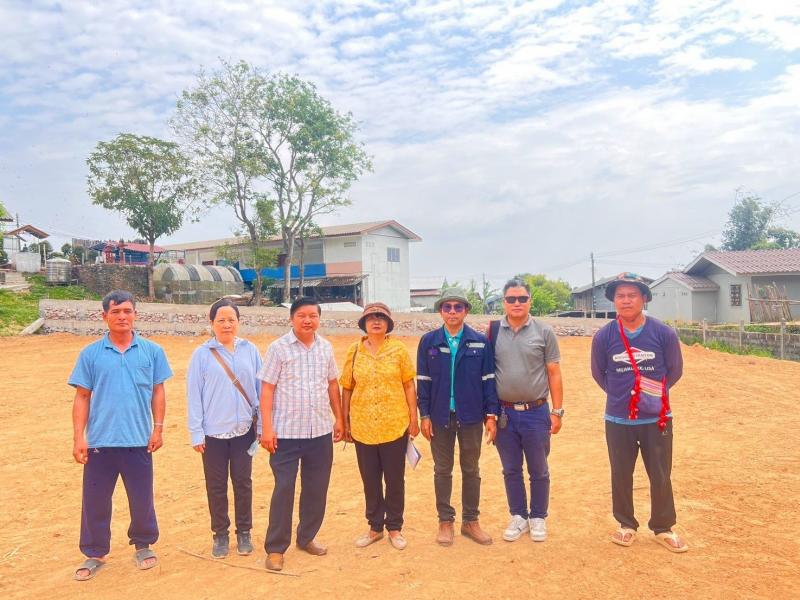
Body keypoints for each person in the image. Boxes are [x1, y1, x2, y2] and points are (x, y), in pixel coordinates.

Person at [69, 290, 173, 581]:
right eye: (115, 312)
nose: (122, 316)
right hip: (99, 441)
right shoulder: (90, 354)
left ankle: (143, 544)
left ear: (135, 314)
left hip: (138, 440)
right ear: (104, 316)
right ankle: (95, 552)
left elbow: (158, 391)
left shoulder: (152, 351)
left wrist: (158, 428)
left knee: (141, 498)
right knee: (95, 500)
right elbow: (82, 396)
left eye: (127, 311)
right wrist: (78, 437)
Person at [590, 272, 688, 553]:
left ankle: (663, 527)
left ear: (644, 298)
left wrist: (652, 396)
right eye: (620, 296)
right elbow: (598, 373)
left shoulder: (663, 333)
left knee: (660, 474)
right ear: (614, 301)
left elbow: (674, 371)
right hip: (617, 418)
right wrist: (620, 395)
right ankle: (626, 524)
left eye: (632, 295)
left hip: (656, 418)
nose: (626, 300)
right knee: (621, 473)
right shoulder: (603, 336)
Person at [258, 297, 345, 571]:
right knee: (284, 488)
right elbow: (267, 389)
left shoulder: (325, 348)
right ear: (291, 319)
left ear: (319, 319)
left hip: (319, 431)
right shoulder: (278, 348)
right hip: (285, 433)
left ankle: (307, 537)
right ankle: (275, 548)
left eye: (313, 316)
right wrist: (266, 428)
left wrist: (339, 418)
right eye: (302, 316)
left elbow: (332, 385)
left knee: (316, 488)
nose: (308, 320)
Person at [417, 287, 499, 546]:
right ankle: (445, 521)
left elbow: (489, 380)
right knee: (442, 469)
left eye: (458, 307)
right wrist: (424, 415)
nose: (452, 312)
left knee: (471, 468)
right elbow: (423, 381)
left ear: (466, 311)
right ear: (440, 311)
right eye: (447, 307)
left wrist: (491, 415)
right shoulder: (429, 341)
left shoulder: (480, 342)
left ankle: (470, 521)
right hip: (439, 416)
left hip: (471, 416)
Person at [489, 278, 564, 543]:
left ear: (530, 301)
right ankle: (519, 516)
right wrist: (490, 414)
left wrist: (558, 411)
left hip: (536, 412)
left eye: (522, 298)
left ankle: (538, 517)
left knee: (539, 469)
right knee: (511, 469)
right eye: (511, 299)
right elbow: (488, 374)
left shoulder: (544, 332)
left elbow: (554, 372)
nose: (517, 303)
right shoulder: (493, 332)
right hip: (505, 414)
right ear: (504, 302)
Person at [187, 299, 262, 559]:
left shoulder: (250, 350)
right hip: (213, 434)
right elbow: (194, 395)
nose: (227, 324)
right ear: (212, 323)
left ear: (239, 322)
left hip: (244, 431)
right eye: (221, 320)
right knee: (216, 486)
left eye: (231, 320)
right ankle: (220, 534)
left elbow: (260, 389)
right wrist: (196, 432)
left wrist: (262, 425)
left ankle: (244, 532)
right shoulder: (201, 355)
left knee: (243, 482)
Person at [340, 303, 419, 551]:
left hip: (394, 424)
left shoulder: (398, 350)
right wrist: (345, 420)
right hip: (363, 426)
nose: (376, 322)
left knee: (395, 480)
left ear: (388, 324)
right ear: (364, 323)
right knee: (370, 480)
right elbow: (347, 387)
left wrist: (413, 418)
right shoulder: (354, 351)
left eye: (381, 318)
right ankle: (375, 527)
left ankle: (394, 527)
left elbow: (408, 384)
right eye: (371, 318)